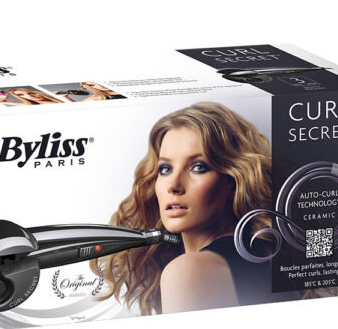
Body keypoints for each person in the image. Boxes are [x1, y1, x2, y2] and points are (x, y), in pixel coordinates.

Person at [92, 102, 282, 316]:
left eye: (198, 167)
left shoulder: (189, 271)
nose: (173, 185)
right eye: (165, 169)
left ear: (234, 180)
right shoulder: (267, 259)